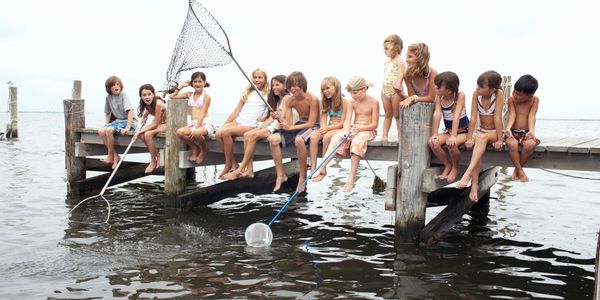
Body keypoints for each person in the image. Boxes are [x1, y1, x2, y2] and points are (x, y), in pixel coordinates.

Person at [313, 76, 379, 192]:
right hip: (355, 128)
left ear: (364, 89)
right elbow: (348, 121)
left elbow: (374, 124)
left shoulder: (374, 102)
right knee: (337, 136)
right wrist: (346, 131)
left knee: (357, 141)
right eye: (351, 93)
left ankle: (351, 179)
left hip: (368, 129)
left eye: (355, 93)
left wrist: (360, 129)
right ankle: (322, 166)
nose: (353, 96)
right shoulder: (352, 102)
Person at [224, 75, 294, 180]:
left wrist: (273, 120)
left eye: (277, 85)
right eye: (273, 85)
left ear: (285, 86)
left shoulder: (287, 98)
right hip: (272, 125)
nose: (274, 87)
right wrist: (261, 127)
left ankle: (240, 169)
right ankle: (249, 170)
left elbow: (286, 119)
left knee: (252, 136)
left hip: (279, 129)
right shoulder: (278, 100)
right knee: (247, 134)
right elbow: (271, 118)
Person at [267, 71, 320, 193]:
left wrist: (290, 128)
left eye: (295, 85)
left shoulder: (312, 98)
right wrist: (278, 117)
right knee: (273, 139)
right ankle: (281, 174)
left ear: (302, 85)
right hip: (299, 125)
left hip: (314, 126)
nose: (292, 89)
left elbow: (312, 123)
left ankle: (302, 176)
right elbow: (286, 121)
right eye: (290, 86)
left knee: (299, 140)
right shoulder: (290, 100)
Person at [456, 70, 505, 202]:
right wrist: (469, 138)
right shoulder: (476, 94)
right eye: (477, 86)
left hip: (495, 132)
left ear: (492, 90)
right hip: (482, 131)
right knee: (479, 140)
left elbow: (497, 118)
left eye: (481, 87)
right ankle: (474, 185)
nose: (477, 89)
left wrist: (500, 139)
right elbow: (473, 118)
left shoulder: (499, 94)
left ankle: (467, 175)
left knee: (482, 138)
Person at [216, 68, 270, 179]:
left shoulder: (267, 95)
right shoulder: (247, 93)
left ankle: (227, 165)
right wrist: (225, 123)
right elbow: (236, 111)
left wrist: (264, 118)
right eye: (255, 77)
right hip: (238, 121)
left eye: (260, 77)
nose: (257, 80)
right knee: (218, 132)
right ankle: (233, 163)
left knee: (226, 132)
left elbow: (271, 113)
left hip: (250, 125)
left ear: (265, 79)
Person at [428, 71, 469, 183]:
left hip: (463, 132)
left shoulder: (460, 96)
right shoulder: (439, 97)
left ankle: (455, 167)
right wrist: (435, 134)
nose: (435, 87)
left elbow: (456, 115)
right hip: (449, 131)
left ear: (449, 90)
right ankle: (447, 165)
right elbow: (437, 114)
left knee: (452, 144)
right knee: (432, 142)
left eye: (438, 86)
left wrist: (454, 136)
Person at [170, 71, 216, 165]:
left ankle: (203, 151)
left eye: (200, 81)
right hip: (193, 124)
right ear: (192, 83)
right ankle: (195, 147)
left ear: (204, 82)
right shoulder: (189, 94)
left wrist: (197, 128)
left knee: (197, 133)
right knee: (180, 132)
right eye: (195, 81)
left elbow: (202, 113)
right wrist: (182, 86)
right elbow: (172, 96)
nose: (197, 83)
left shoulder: (207, 97)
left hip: (205, 123)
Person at [504, 74, 540, 182]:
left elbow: (532, 116)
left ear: (529, 96)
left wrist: (532, 131)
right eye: (514, 92)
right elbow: (512, 115)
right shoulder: (511, 99)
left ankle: (517, 169)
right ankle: (520, 170)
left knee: (530, 144)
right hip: (513, 131)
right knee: (512, 143)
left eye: (519, 95)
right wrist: (508, 128)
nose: (515, 95)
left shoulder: (534, 100)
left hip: (527, 132)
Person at [311, 76, 348, 182]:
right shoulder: (326, 102)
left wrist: (327, 128)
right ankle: (313, 167)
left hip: (338, 128)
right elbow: (323, 119)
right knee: (314, 137)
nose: (325, 91)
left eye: (328, 88)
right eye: (323, 89)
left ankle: (323, 168)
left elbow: (342, 124)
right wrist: (323, 128)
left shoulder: (344, 101)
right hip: (329, 127)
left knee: (326, 137)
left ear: (336, 87)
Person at [98, 75, 138, 169]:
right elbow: (108, 113)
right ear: (109, 88)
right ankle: (115, 156)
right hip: (118, 121)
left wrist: (128, 127)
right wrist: (106, 125)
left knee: (109, 130)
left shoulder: (124, 94)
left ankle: (110, 156)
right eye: (113, 85)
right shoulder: (108, 97)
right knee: (101, 131)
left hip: (129, 121)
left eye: (118, 84)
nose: (116, 86)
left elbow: (130, 111)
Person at [133, 84, 167, 174]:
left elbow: (155, 124)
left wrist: (139, 131)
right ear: (141, 96)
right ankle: (157, 155)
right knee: (141, 134)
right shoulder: (147, 104)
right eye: (144, 95)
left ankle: (153, 161)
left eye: (149, 94)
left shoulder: (158, 103)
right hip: (160, 123)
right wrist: (144, 117)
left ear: (153, 94)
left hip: (169, 123)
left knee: (147, 134)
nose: (147, 97)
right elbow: (146, 113)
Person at [380, 34, 406, 141]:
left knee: (396, 114)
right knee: (387, 114)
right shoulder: (387, 62)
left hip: (396, 91)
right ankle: (385, 135)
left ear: (396, 48)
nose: (384, 51)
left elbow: (401, 74)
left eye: (387, 48)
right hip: (385, 90)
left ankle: (400, 135)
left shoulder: (399, 60)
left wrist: (398, 85)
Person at [397, 43, 437, 108]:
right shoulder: (407, 76)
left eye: (410, 56)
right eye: (407, 56)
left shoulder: (432, 73)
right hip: (419, 109)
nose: (406, 59)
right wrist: (401, 93)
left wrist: (414, 98)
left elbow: (431, 98)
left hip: (432, 109)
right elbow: (411, 99)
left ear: (420, 59)